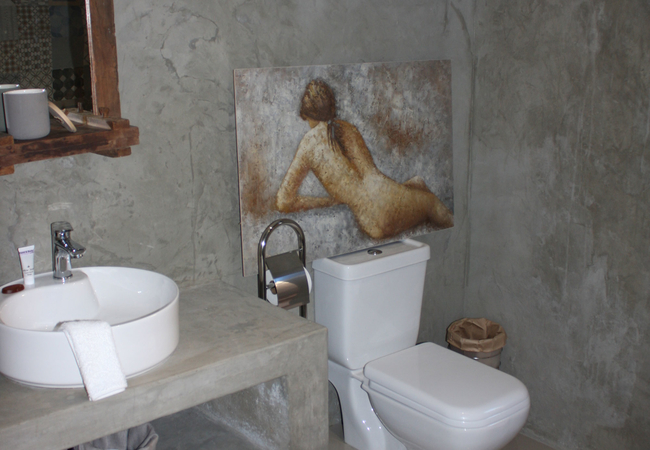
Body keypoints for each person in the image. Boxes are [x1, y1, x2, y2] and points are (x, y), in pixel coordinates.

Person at [276, 79, 453, 240]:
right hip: (388, 199)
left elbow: (283, 201)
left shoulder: (308, 143)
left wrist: (328, 201)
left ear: (308, 114)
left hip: (373, 222)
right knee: (430, 202)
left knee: (417, 184)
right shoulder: (348, 128)